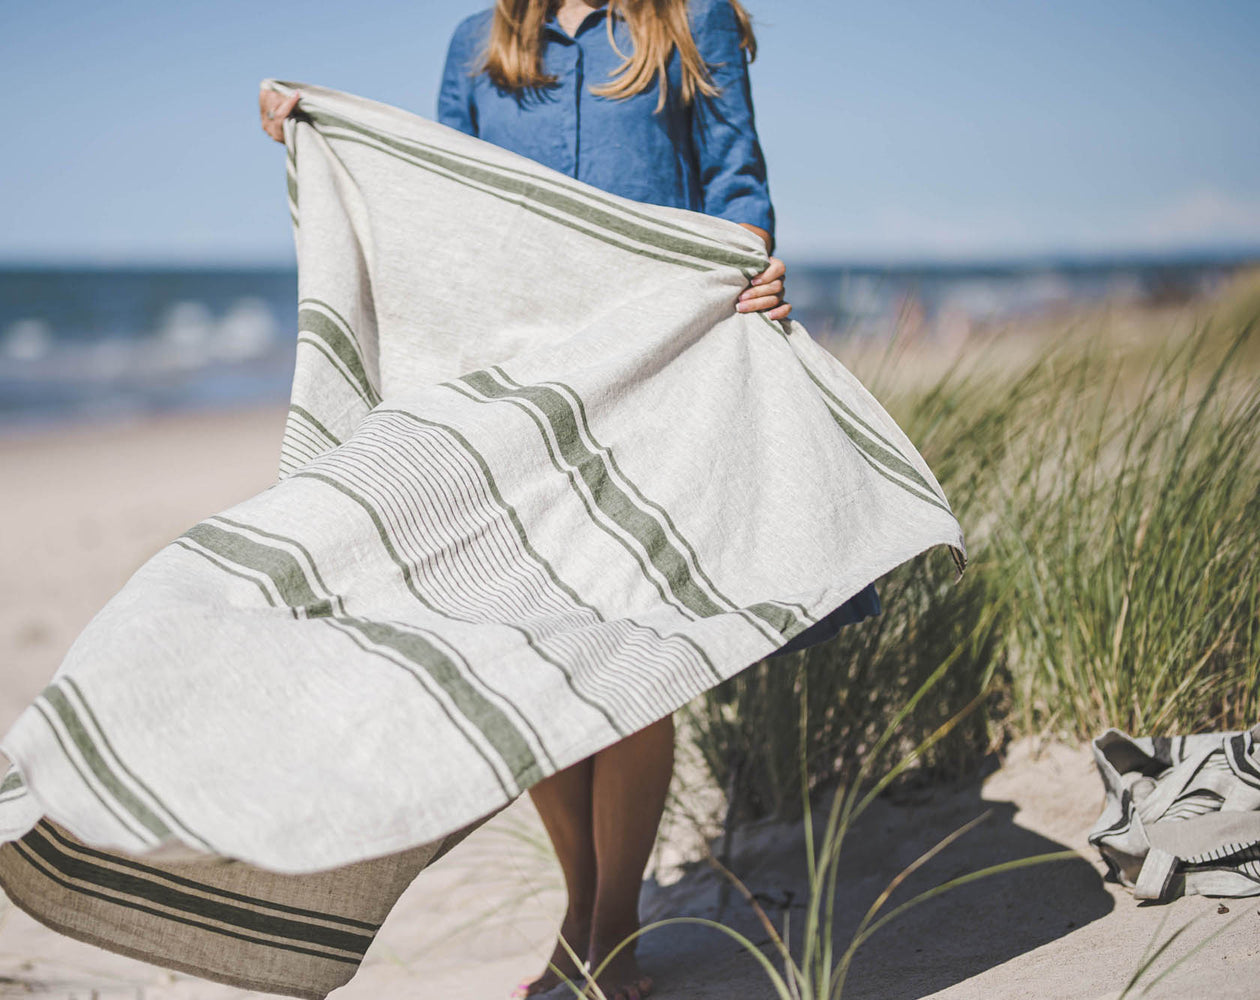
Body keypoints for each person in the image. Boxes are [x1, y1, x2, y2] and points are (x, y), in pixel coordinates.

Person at [260, 4, 876, 997]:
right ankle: (582, 911)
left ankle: (616, 927)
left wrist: (752, 258)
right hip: (520, 389)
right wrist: (317, 128)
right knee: (534, 653)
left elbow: (735, 175)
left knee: (635, 651)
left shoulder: (686, 19)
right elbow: (436, 202)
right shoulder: (480, 43)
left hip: (653, 374)